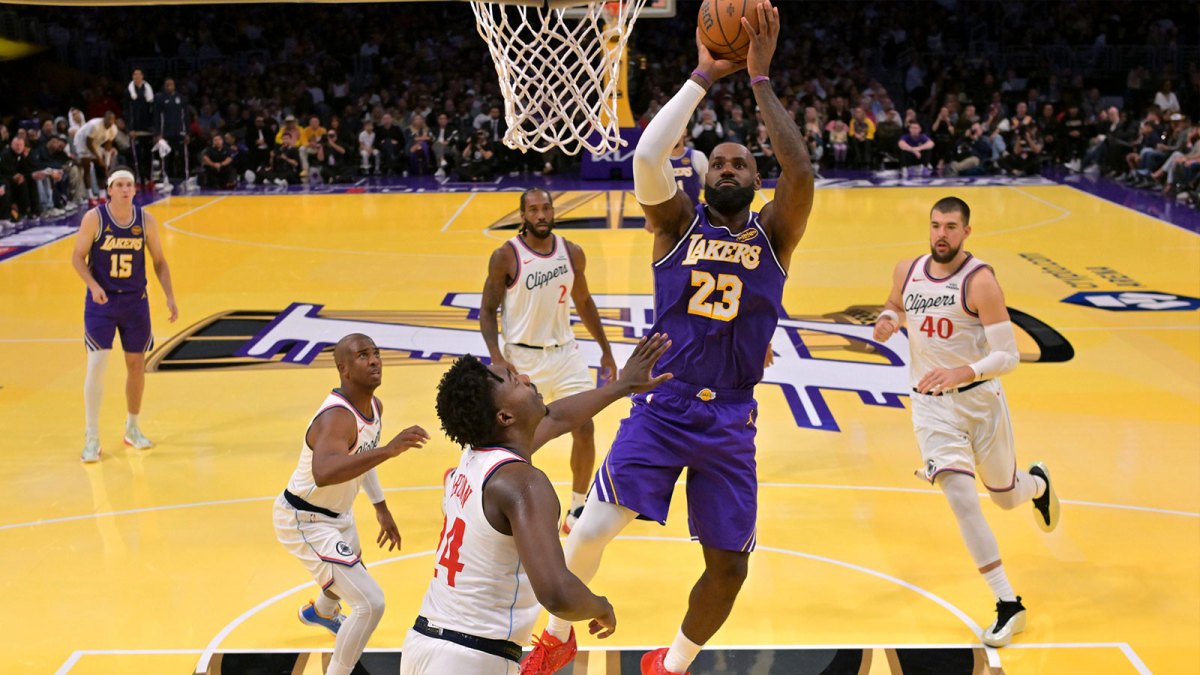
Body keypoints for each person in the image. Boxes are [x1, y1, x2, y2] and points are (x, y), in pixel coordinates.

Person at [526, 4, 815, 674]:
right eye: (719, 161)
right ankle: (555, 634)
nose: (729, 166)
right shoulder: (675, 224)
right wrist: (702, 76)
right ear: (705, 177)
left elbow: (799, 176)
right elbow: (650, 155)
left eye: (741, 162)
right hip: (663, 404)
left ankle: (671, 662)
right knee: (592, 527)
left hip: (731, 418)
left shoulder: (774, 234)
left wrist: (760, 82)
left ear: (754, 179)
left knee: (729, 568)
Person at [400, 334, 673, 675]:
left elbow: (557, 419)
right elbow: (557, 593)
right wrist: (601, 606)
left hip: (422, 645)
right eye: (515, 382)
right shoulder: (523, 484)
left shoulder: (475, 455)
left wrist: (622, 386)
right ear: (505, 417)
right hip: (471, 658)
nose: (527, 378)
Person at [872, 196, 1060, 648]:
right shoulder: (908, 268)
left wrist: (963, 371)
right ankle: (1007, 603)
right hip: (931, 405)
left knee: (1005, 498)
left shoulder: (980, 282)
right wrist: (887, 318)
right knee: (960, 495)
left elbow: (1008, 356)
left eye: (951, 227)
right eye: (936, 225)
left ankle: (1036, 485)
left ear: (966, 232)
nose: (941, 234)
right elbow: (896, 303)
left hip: (980, 401)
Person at [272, 333, 429, 675]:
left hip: (338, 516)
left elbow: (362, 457)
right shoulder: (336, 419)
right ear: (344, 369)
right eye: (363, 355)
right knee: (370, 603)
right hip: (305, 519)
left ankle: (321, 613)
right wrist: (389, 450)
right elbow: (325, 473)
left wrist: (381, 507)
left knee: (351, 568)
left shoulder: (374, 407)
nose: (374, 360)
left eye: (376, 353)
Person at [480, 187, 618, 534]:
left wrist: (605, 349)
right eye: (534, 210)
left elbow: (584, 302)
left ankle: (577, 505)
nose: (541, 215)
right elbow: (486, 309)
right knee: (517, 438)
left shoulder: (572, 253)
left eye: (546, 208)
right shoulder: (506, 256)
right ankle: (473, 476)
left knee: (584, 425)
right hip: (523, 358)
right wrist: (497, 356)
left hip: (566, 352)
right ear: (523, 215)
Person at [70, 167, 178, 462]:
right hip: (101, 303)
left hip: (135, 302)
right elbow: (77, 257)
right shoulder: (94, 218)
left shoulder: (145, 220)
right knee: (98, 364)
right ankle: (91, 436)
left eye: (130, 184)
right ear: (110, 189)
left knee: (136, 364)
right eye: (120, 184)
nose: (126, 189)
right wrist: (93, 286)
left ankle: (132, 427)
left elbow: (159, 261)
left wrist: (169, 296)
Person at [669, 131, 707, 205]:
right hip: (669, 213)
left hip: (694, 212)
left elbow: (710, 186)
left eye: (675, 130)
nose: (672, 136)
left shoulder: (698, 156)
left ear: (685, 131)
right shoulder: (658, 162)